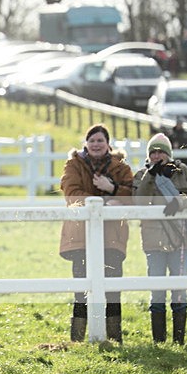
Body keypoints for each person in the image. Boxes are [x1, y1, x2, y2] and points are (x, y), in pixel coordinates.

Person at [60, 124, 133, 343]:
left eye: (100, 140)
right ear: (86, 143)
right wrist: (103, 202)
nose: (96, 144)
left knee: (112, 287)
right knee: (81, 287)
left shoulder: (121, 168)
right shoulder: (74, 165)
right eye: (92, 140)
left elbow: (133, 193)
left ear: (108, 144)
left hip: (112, 236)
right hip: (80, 235)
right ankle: (77, 338)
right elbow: (71, 193)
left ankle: (114, 337)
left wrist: (112, 188)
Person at [133, 133, 187, 345]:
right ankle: (159, 342)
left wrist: (180, 202)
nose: (157, 156)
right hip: (153, 240)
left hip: (181, 239)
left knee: (179, 289)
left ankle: (178, 341)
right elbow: (138, 202)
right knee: (157, 290)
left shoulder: (184, 173)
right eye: (153, 152)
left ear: (169, 154)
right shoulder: (141, 175)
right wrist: (151, 176)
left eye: (161, 152)